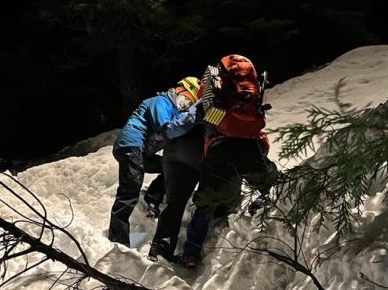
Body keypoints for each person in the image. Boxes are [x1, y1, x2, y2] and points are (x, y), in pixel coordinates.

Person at [181, 54, 278, 269]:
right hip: (249, 145)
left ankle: (192, 252)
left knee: (205, 202)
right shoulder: (250, 85)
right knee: (271, 184)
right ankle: (259, 214)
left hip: (220, 147)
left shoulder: (214, 79)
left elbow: (205, 116)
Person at [108, 77, 204, 246]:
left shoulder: (170, 107)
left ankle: (152, 197)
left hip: (140, 150)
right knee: (129, 191)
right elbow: (165, 127)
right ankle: (117, 239)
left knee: (167, 167)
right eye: (189, 99)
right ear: (181, 89)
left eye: (191, 103)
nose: (187, 104)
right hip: (132, 146)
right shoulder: (161, 102)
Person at [148, 76, 207, 262]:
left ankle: (161, 244)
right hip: (198, 153)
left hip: (173, 152)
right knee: (207, 201)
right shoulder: (216, 105)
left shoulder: (193, 103)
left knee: (174, 203)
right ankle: (192, 252)